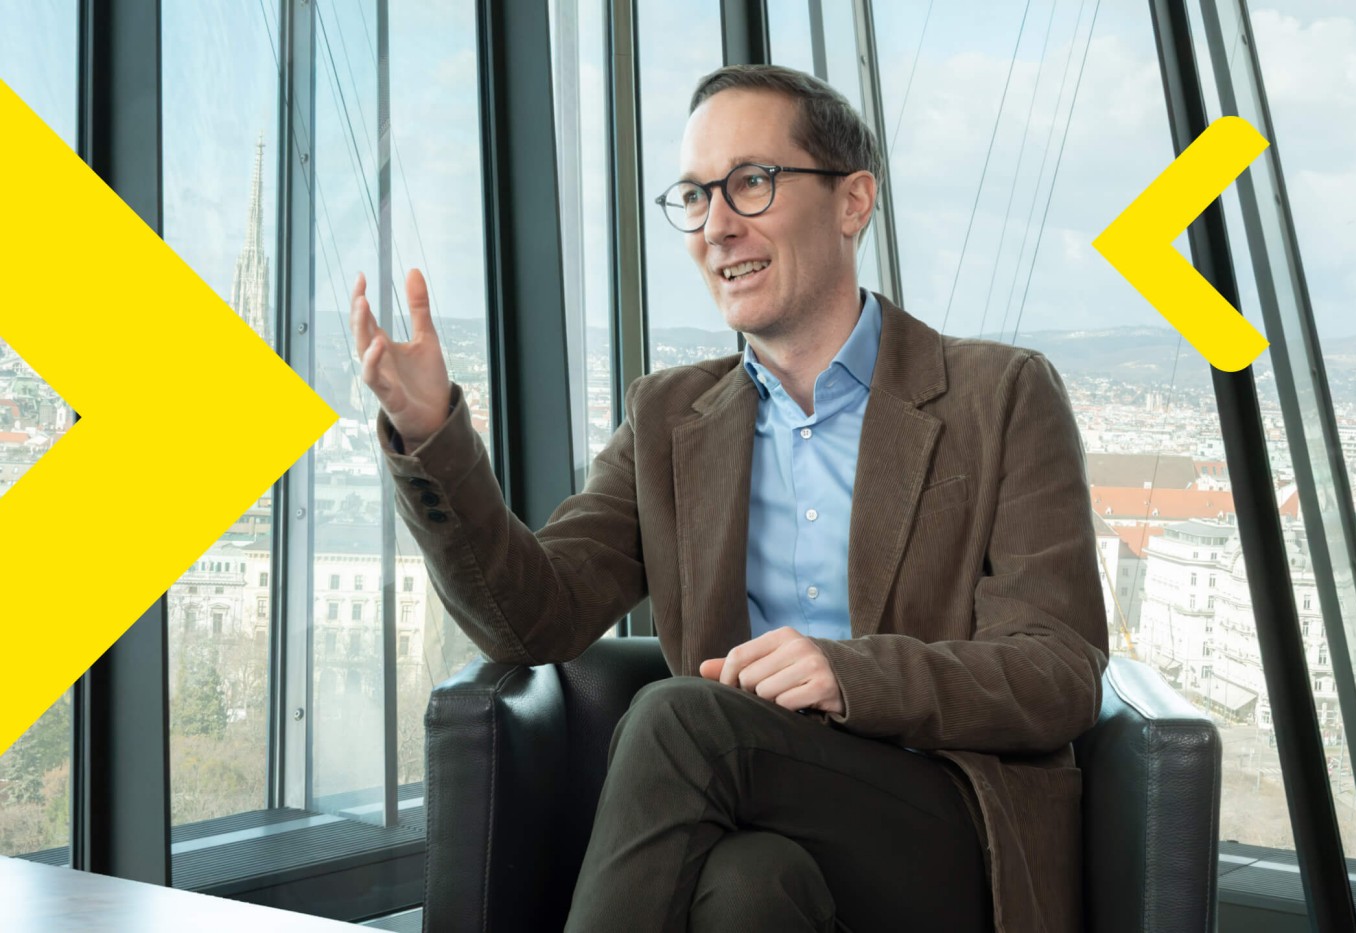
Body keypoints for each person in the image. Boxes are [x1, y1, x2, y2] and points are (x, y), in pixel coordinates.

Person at [353, 64, 1108, 933]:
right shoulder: (668, 418)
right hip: (754, 819)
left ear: (852, 201)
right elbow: (535, 617)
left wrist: (849, 673)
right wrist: (431, 435)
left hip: (946, 828)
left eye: (751, 182)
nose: (716, 225)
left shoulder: (999, 395)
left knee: (680, 720)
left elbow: (1058, 668)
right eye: (694, 195)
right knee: (746, 889)